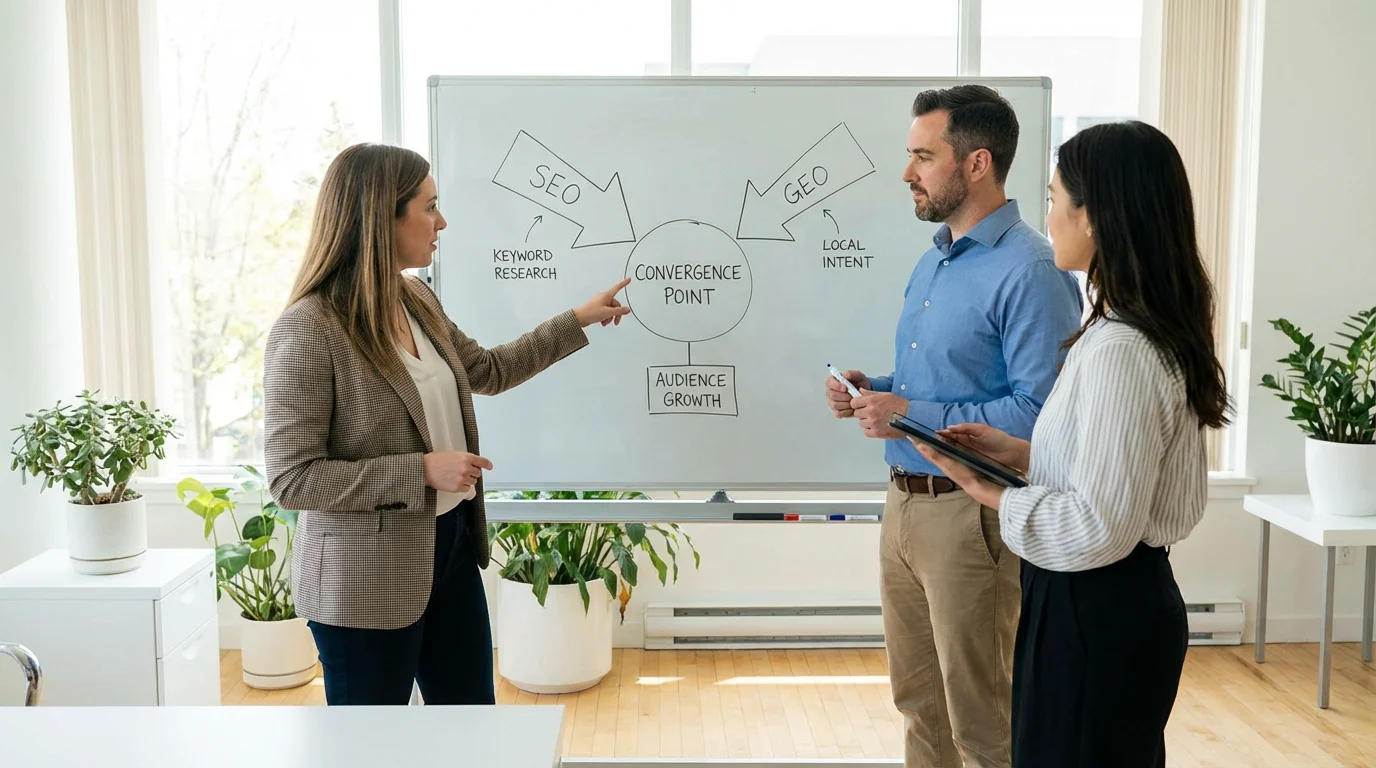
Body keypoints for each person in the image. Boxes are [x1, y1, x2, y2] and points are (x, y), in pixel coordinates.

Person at [262, 142, 631, 706]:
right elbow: (293, 479)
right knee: (374, 750)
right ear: (381, 217)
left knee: (470, 726)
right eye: (429, 207)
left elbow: (487, 369)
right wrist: (420, 471)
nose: (442, 222)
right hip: (364, 583)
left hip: (450, 549)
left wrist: (577, 319)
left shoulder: (416, 299)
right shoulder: (309, 328)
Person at [911, 120, 1229, 767]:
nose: (1048, 215)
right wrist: (1020, 453)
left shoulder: (1122, 349)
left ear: (1098, 216)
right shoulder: (1127, 330)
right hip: (1105, 605)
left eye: (1056, 198)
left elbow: (1102, 526)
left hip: (1097, 609)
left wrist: (992, 493)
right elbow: (1119, 468)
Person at [823, 85, 1083, 767]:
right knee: (918, 705)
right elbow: (942, 385)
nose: (908, 172)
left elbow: (1040, 416)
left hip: (974, 517)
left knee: (982, 719)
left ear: (976, 163)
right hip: (904, 506)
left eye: (922, 156)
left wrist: (909, 415)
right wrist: (874, 392)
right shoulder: (935, 258)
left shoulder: (1031, 268)